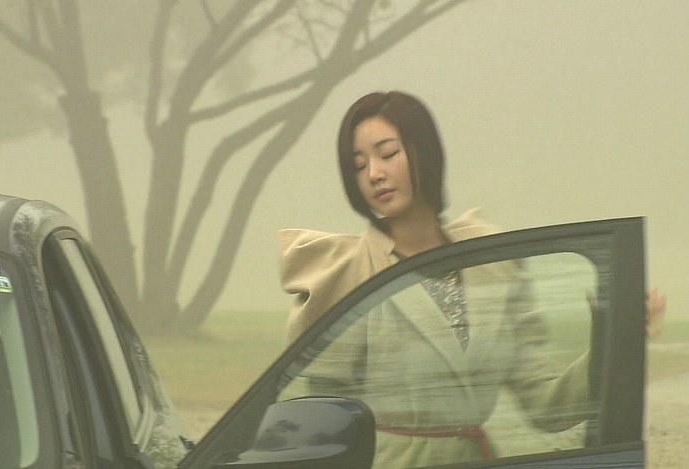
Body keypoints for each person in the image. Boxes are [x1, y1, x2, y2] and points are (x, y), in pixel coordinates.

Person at [277, 91, 667, 467]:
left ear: (425, 152)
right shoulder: (350, 273)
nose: (374, 174)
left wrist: (617, 341)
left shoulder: (494, 264)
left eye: (388, 154)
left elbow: (548, 406)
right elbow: (321, 425)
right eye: (359, 165)